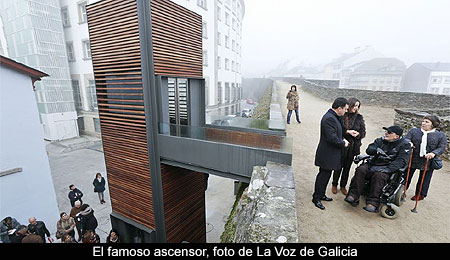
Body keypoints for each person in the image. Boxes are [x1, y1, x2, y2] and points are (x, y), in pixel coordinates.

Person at [345, 126, 411, 213]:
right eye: (386, 131)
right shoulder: (380, 140)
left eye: (390, 132)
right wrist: (376, 150)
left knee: (379, 175)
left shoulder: (404, 145)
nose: (386, 133)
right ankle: (353, 195)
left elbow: (401, 161)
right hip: (374, 163)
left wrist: (388, 169)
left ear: (397, 136)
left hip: (388, 166)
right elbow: (369, 150)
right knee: (361, 169)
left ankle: (373, 202)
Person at [312, 97, 349, 210]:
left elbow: (338, 131)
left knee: (326, 174)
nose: (346, 111)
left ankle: (321, 194)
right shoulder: (329, 118)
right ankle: (316, 197)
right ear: (339, 108)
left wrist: (346, 133)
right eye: (345, 109)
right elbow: (332, 138)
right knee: (323, 175)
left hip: (330, 153)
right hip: (327, 153)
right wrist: (343, 143)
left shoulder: (334, 117)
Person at [405, 115, 447, 201]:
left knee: (425, 178)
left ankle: (420, 194)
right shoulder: (414, 131)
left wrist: (433, 153)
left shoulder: (440, 135)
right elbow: (406, 139)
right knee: (406, 175)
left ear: (433, 124)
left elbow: (441, 147)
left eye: (427, 122)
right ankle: (401, 190)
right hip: (413, 157)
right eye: (423, 121)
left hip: (428, 159)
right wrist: (409, 143)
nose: (423, 123)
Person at [332, 98, 366, 195]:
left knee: (347, 168)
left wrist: (358, 134)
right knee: (338, 167)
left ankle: (343, 186)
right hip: (342, 145)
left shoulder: (359, 118)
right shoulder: (342, 115)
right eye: (354, 105)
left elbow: (363, 133)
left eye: (357, 106)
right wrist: (347, 132)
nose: (356, 108)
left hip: (353, 147)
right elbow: (338, 131)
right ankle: (334, 184)